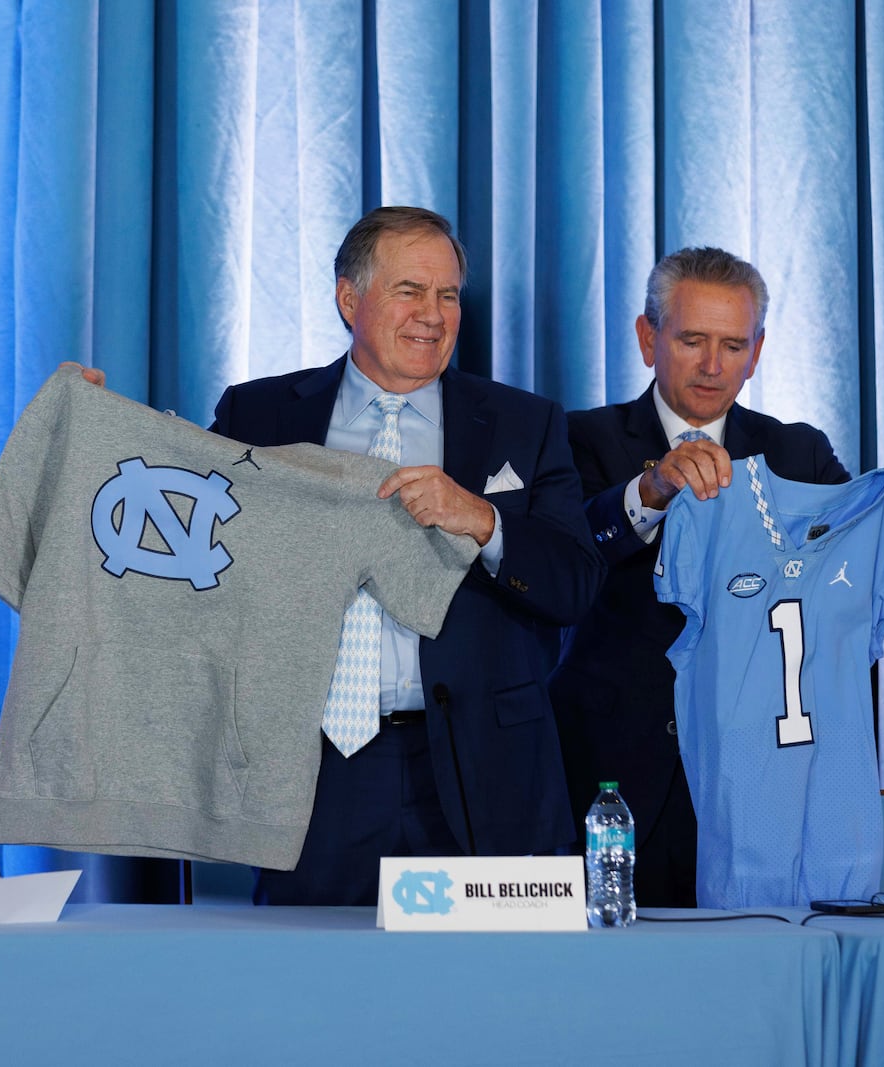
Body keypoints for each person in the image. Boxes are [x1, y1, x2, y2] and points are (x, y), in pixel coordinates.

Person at [550, 246, 884, 907]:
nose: (713, 365)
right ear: (646, 336)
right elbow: (561, 557)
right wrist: (652, 490)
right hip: (614, 778)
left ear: (760, 348)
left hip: (762, 786)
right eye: (692, 340)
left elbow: (878, 572)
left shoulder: (799, 451)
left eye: (733, 344)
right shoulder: (577, 438)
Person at [209, 206, 604, 905]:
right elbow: (195, 553)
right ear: (348, 299)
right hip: (315, 774)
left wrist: (484, 521)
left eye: (448, 294)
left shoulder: (525, 421)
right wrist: (101, 440)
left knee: (484, 1006)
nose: (434, 314)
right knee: (313, 999)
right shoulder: (259, 416)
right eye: (410, 291)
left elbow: (575, 583)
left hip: (483, 772)